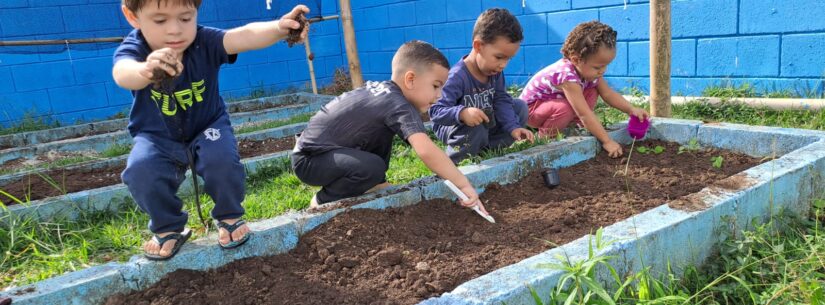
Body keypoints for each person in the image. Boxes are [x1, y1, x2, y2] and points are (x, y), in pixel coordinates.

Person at [112, 0, 309, 260]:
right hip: (155, 134)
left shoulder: (204, 41)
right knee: (141, 172)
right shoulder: (135, 49)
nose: (175, 30)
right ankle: (168, 228)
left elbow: (243, 36)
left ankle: (229, 216)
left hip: (208, 125)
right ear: (132, 16)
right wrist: (146, 69)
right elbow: (122, 73)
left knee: (222, 160)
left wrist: (280, 28)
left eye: (185, 18)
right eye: (160, 20)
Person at [292, 40, 489, 216]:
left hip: (319, 153)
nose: (439, 96)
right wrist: (462, 183)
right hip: (310, 160)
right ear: (410, 79)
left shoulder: (385, 93)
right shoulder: (398, 104)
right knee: (372, 167)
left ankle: (375, 183)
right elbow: (425, 150)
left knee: (380, 131)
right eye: (436, 86)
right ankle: (322, 201)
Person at [519, 21, 649, 158]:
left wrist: (631, 109)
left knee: (592, 91)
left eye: (606, 66)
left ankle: (573, 127)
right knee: (565, 108)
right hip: (532, 110)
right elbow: (584, 113)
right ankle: (545, 139)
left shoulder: (589, 73)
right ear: (575, 59)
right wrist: (607, 141)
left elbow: (608, 94)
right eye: (598, 67)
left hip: (551, 104)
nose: (602, 71)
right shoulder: (567, 77)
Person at [429, 8, 535, 164]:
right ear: (478, 46)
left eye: (508, 59)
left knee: (519, 107)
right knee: (475, 126)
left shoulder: (495, 72)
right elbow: (435, 112)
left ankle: (486, 151)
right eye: (499, 57)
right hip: (456, 126)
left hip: (483, 122)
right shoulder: (457, 76)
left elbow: (500, 100)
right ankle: (457, 161)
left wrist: (513, 127)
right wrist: (462, 113)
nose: (503, 65)